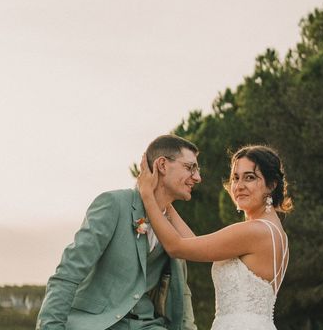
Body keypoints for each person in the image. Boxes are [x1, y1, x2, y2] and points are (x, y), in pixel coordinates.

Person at [36, 134, 201, 330]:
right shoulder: (114, 204)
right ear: (162, 165)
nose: (198, 177)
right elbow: (68, 272)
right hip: (96, 323)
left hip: (147, 325)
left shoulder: (174, 228)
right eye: (190, 167)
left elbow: (182, 292)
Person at [138, 144, 293, 330]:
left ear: (272, 184)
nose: (239, 186)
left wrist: (147, 194)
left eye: (250, 178)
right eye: (235, 178)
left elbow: (176, 247)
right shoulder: (274, 231)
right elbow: (194, 244)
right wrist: (166, 203)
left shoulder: (255, 231)